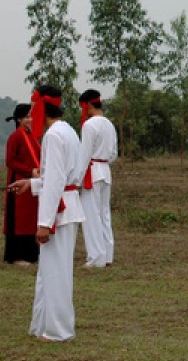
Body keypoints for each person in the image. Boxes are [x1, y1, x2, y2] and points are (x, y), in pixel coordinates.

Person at [9, 85, 85, 342]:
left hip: (60, 208)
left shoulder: (53, 136)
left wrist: (43, 223)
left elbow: (55, 181)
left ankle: (58, 330)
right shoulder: (68, 131)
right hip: (67, 202)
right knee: (49, 272)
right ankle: (43, 324)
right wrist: (32, 184)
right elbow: (58, 177)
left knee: (56, 273)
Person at [77, 89, 118, 268]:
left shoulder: (89, 125)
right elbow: (114, 153)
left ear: (89, 105)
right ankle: (107, 254)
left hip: (91, 171)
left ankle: (96, 257)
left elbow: (84, 155)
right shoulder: (109, 124)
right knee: (104, 214)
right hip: (105, 170)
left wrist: (76, 180)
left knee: (91, 215)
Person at [3, 103, 41, 266]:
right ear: (19, 119)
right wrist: (29, 170)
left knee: (31, 218)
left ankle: (31, 254)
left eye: (30, 116)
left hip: (31, 182)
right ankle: (17, 256)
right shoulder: (16, 136)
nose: (30, 119)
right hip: (19, 181)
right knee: (19, 219)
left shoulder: (31, 135)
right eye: (26, 117)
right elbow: (10, 161)